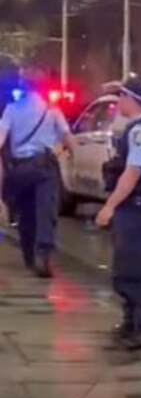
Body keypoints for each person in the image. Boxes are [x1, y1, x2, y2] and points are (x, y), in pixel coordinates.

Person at [95, 78, 141, 350]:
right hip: (132, 206)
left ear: (132, 99)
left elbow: (132, 172)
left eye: (121, 97)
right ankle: (131, 321)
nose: (118, 102)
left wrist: (109, 206)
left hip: (135, 206)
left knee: (135, 269)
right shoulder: (137, 127)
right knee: (124, 267)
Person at [0, 65, 75, 276]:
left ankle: (28, 255)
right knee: (45, 211)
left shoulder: (12, 110)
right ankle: (43, 255)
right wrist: (57, 152)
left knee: (25, 212)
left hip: (20, 168)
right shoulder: (52, 110)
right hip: (44, 166)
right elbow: (69, 140)